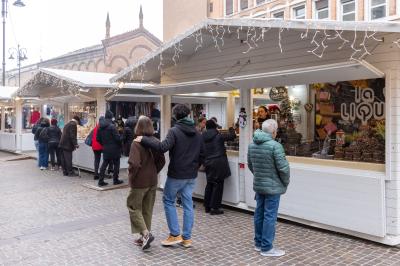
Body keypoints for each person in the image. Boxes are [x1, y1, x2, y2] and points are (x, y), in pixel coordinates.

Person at [135, 104, 204, 248]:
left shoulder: (174, 131)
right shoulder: (198, 132)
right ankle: (187, 238)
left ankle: (174, 235)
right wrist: (194, 168)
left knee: (168, 201)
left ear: (175, 116)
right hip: (191, 175)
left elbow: (162, 147)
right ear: (188, 115)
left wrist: (143, 139)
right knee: (188, 205)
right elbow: (203, 154)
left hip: (177, 174)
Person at [247, 119, 290, 257]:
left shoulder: (252, 145)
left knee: (259, 213)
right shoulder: (275, 146)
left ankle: (259, 243)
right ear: (273, 131)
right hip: (272, 187)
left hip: (259, 185)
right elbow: (283, 169)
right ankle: (267, 247)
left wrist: (259, 176)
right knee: (270, 216)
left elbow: (250, 164)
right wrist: (285, 182)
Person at [127, 116, 165, 251]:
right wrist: (154, 171)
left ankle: (146, 234)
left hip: (139, 182)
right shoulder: (156, 141)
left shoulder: (136, 143)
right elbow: (162, 160)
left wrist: (131, 177)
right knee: (147, 210)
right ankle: (144, 236)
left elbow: (134, 164)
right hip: (152, 181)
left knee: (133, 207)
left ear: (138, 126)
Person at [202, 119, 236, 215]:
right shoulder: (218, 135)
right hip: (218, 162)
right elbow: (232, 136)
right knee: (218, 185)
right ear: (214, 126)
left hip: (208, 162)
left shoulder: (202, 136)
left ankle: (207, 206)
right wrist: (231, 128)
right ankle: (215, 208)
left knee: (209, 183)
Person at [97, 110, 124, 187]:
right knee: (116, 164)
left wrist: (104, 144)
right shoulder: (112, 126)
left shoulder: (100, 127)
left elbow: (98, 139)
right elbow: (117, 138)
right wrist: (121, 137)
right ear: (111, 117)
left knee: (104, 164)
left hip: (106, 148)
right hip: (115, 148)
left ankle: (100, 181)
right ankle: (115, 180)